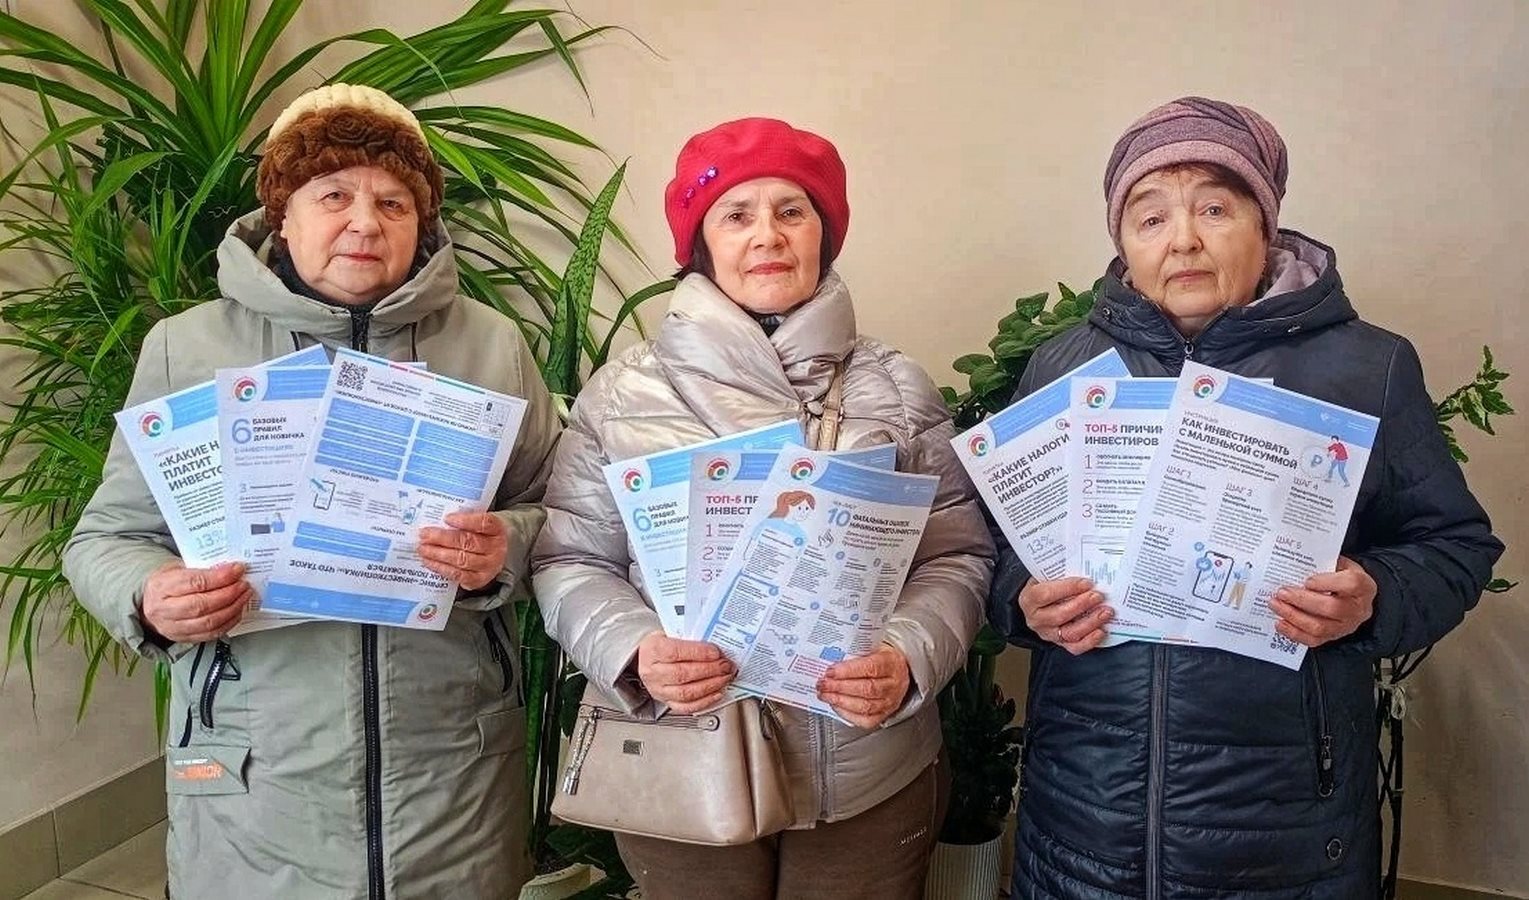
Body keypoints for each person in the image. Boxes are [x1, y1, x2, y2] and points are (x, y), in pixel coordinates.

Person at [987, 97, 1503, 897]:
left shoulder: (1367, 368)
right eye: (1149, 217)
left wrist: (1372, 594)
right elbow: (995, 551)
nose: (1182, 239)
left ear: (1265, 225)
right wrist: (1022, 600)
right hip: (1085, 804)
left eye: (1213, 209)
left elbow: (1455, 547)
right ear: (1122, 244)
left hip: (1284, 822)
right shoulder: (1062, 368)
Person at [62, 84, 562, 899]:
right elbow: (106, 538)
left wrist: (504, 546)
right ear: (282, 215)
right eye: (333, 195)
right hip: (258, 769)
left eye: (392, 202)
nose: (364, 223)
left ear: (421, 221)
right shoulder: (185, 349)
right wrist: (149, 594)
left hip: (450, 767)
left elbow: (563, 517)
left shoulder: (490, 344)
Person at [531, 117, 994, 899]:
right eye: (736, 215)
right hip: (682, 759)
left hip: (865, 764)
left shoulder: (895, 385)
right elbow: (569, 560)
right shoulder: (622, 392)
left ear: (824, 233)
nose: (766, 236)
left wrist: (907, 656)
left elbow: (956, 554)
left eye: (791, 211)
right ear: (700, 244)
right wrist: (637, 651)